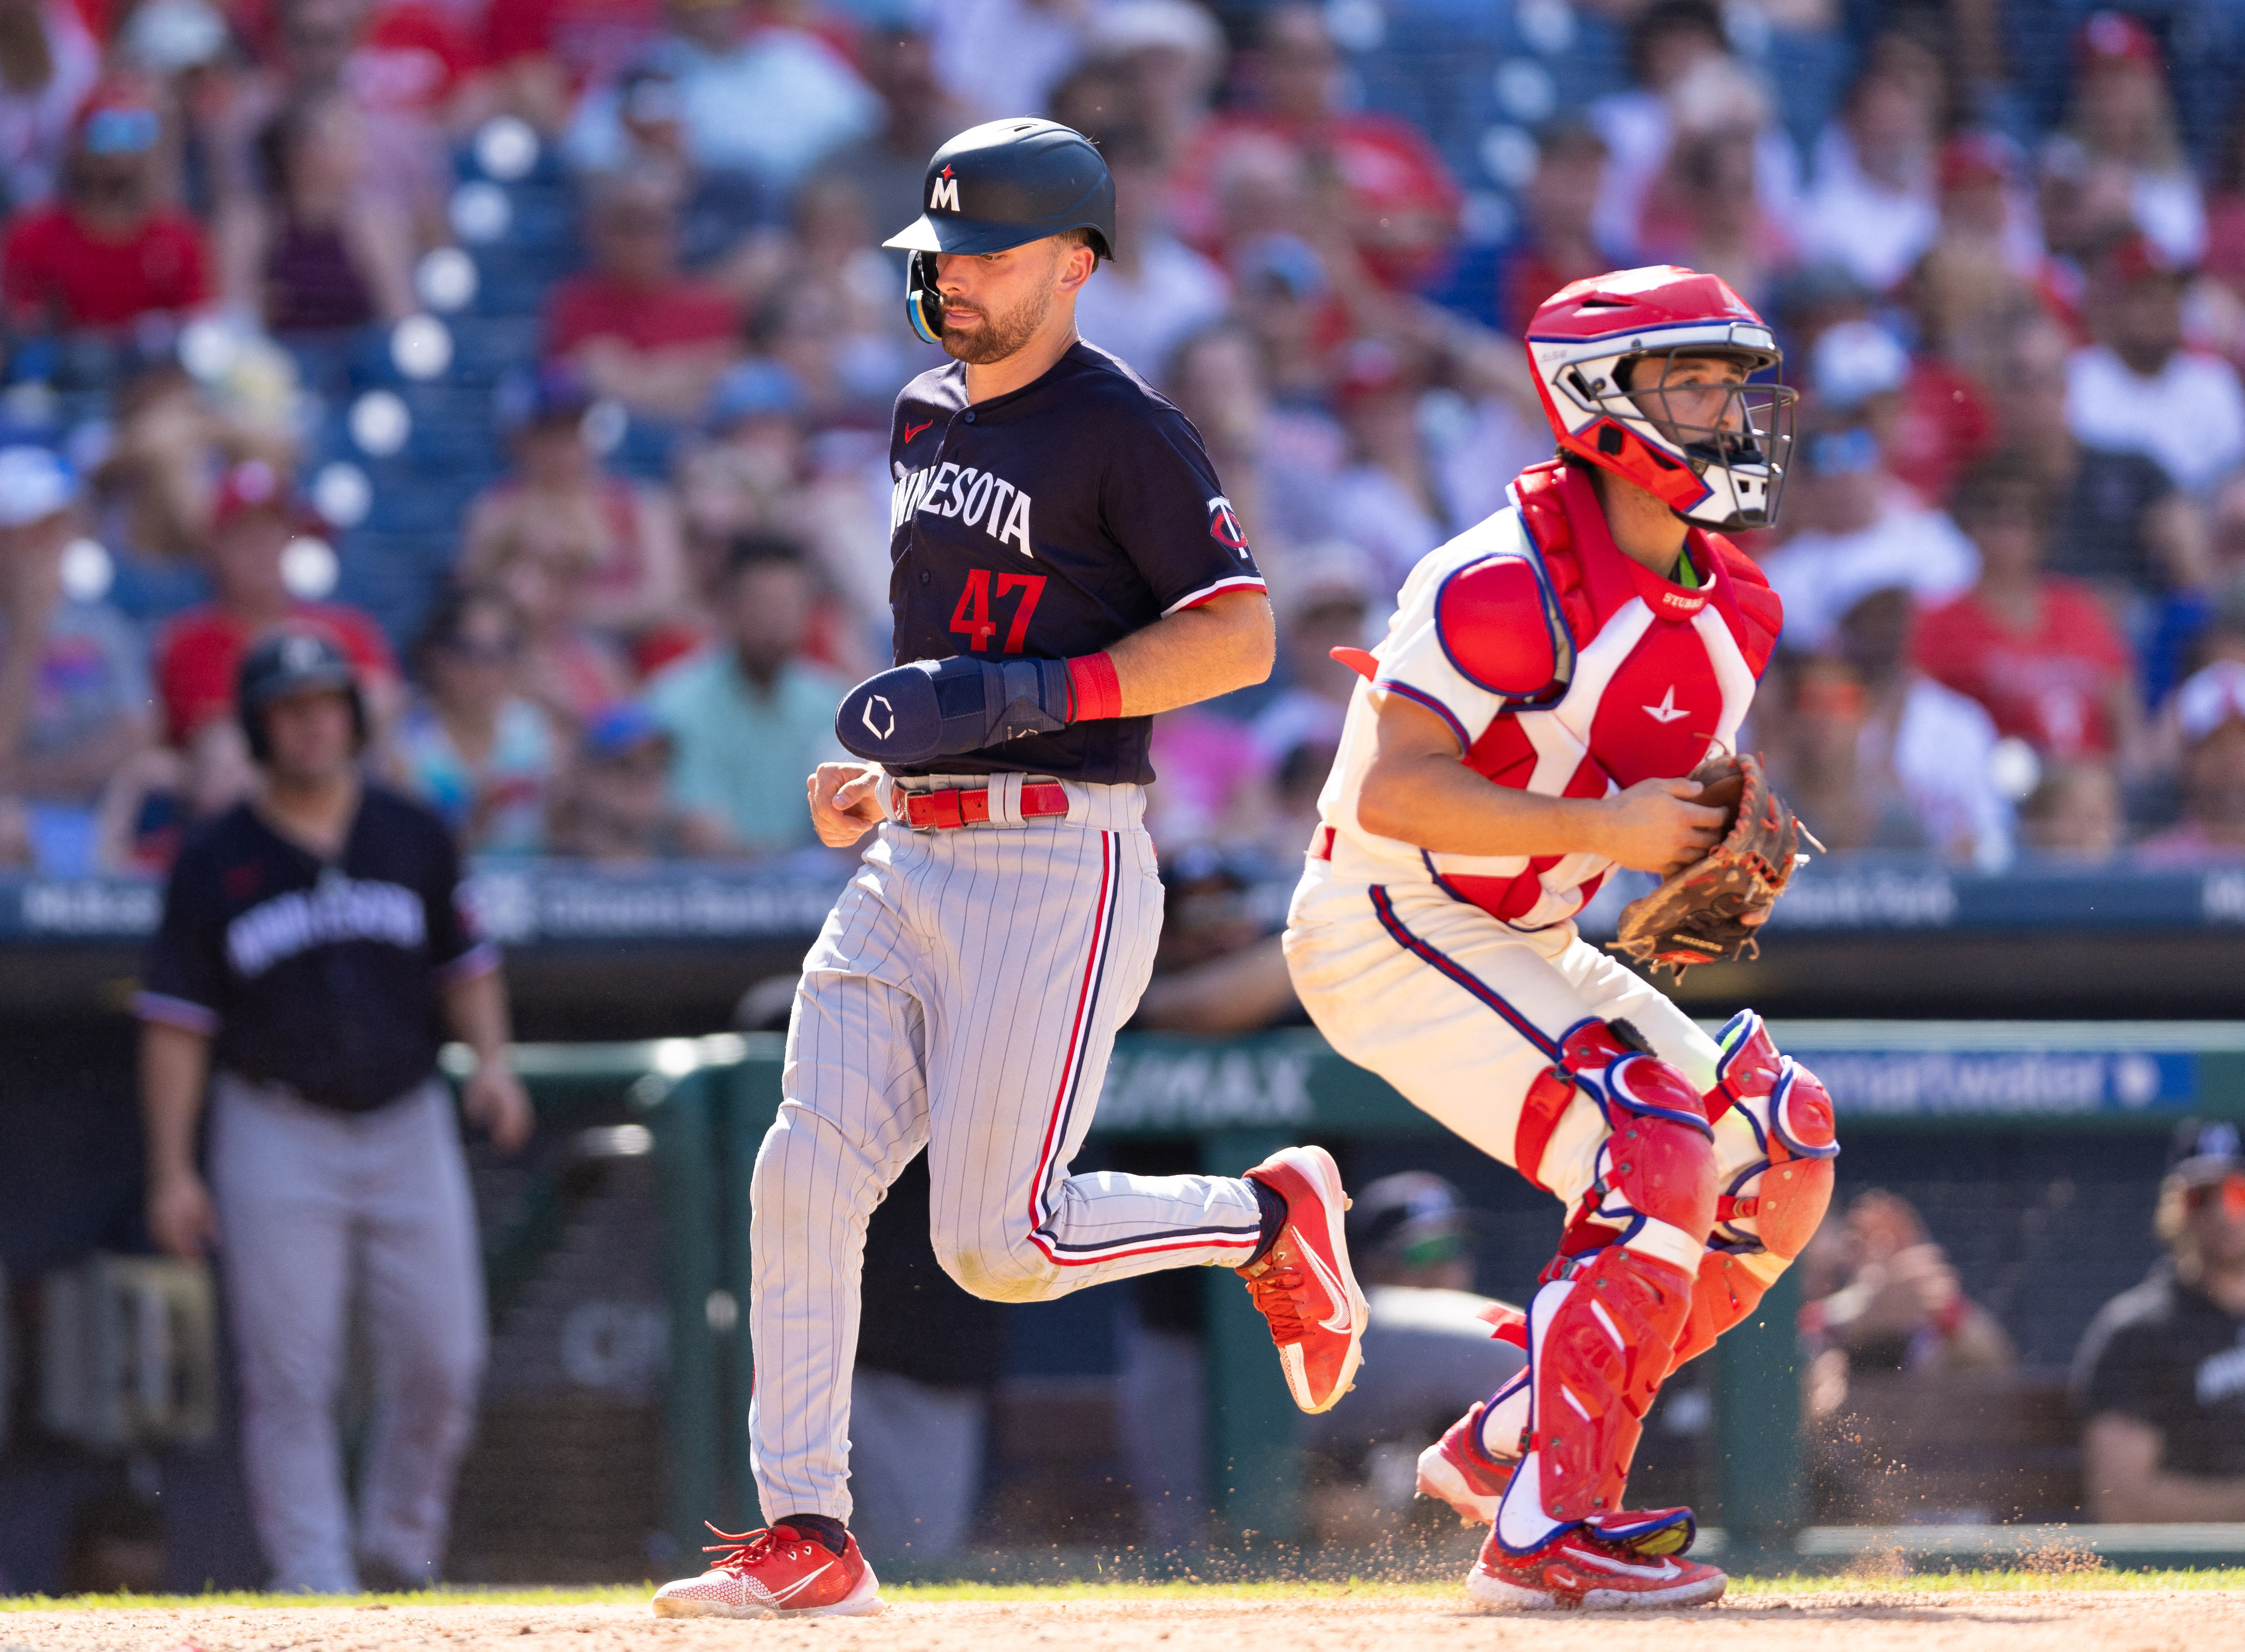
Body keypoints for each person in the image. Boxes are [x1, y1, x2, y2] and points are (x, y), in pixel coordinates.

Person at [650, 119, 1365, 1621]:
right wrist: (888, 762)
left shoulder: (1127, 428)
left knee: (998, 1243)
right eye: (937, 257)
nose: (949, 283)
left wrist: (1037, 693)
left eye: (979, 259)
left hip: (1062, 859)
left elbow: (1237, 633)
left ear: (1074, 260)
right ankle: (808, 1530)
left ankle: (1268, 1219)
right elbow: (946, 664)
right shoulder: (920, 416)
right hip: (911, 851)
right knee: (803, 1171)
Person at [1283, 266, 1838, 1609]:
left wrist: (1716, 844)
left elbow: (1658, 806)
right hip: (1387, 916)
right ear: (1599, 399)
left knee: (1780, 1143)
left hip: (1522, 928)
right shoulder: (1493, 577)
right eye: (1692, 383)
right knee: (1648, 1135)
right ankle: (1544, 1537)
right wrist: (1627, 835)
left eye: (1732, 385)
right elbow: (1389, 791)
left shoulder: (1741, 609)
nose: (1730, 412)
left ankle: (1515, 1436)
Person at [134, 629, 533, 1592]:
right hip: (275, 1124)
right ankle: (315, 1579)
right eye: (287, 709)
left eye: (324, 704)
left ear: (351, 716)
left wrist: (492, 1063)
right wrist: (173, 1168)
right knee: (289, 1373)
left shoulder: (410, 829)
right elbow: (177, 1023)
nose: (309, 725)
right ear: (258, 728)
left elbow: (467, 965)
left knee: (445, 1355)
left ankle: (398, 1545)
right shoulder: (215, 856)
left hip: (406, 1117)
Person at [1305, 1173, 1527, 1519]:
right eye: (1424, 1251)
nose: (1444, 1267)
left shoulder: (1482, 1361)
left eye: (1454, 1249)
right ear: (1368, 1262)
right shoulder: (1325, 1357)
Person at [151, 460, 401, 750]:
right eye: (245, 537)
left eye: (274, 534)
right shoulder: (186, 642)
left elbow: (387, 701)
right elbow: (208, 739)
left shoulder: (348, 627)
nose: (263, 550)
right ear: (215, 551)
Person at [1912, 456, 2142, 766]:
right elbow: (1922, 723)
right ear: (1970, 525)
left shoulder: (2080, 608)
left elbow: (2122, 707)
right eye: (1994, 517)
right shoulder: (1938, 624)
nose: (2007, 532)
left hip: (2092, 784)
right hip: (2001, 786)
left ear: (2041, 532)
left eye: (2021, 519)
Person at [2072, 1118, 2245, 1520]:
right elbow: (2122, 1502)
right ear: (2177, 1206)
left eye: (2239, 1193)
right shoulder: (2138, 1332)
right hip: (2191, 1573)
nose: (2223, 1211)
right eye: (2201, 1197)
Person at [641, 533, 847, 855]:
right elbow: (701, 835)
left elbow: (851, 831)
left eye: (789, 606)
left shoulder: (833, 706)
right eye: (764, 606)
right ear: (728, 608)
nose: (777, 622)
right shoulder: (676, 703)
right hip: (707, 894)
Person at [0, 445, 153, 873]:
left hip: (100, 812)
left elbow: (134, 738)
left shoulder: (104, 627)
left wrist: (23, 777)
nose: (46, 544)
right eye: (31, 529)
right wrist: (27, 635)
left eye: (56, 526)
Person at [2, 80, 209, 332]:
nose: (121, 148)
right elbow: (21, 327)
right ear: (76, 144)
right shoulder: (34, 237)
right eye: (106, 130)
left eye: (138, 132)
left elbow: (199, 336)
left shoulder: (180, 241)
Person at [2067, 232, 2245, 498]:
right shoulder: (2078, 378)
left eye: (2171, 298)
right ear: (2114, 306)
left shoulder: (2215, 382)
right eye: (2146, 297)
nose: (2161, 310)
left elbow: (2233, 482)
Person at [394, 588, 562, 857]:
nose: (484, 668)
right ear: (436, 654)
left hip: (529, 891)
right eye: (467, 650)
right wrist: (474, 821)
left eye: (501, 650)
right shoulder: (406, 746)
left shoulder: (538, 731)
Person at [2135, 660, 2245, 865]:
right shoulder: (2154, 866)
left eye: (2243, 741)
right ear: (2186, 755)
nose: (2233, 758)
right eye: (2215, 743)